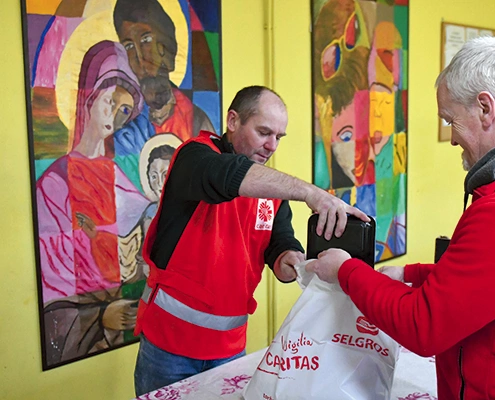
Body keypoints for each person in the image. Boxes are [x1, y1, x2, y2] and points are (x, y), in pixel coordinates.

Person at [308, 37, 495, 399]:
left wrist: (346, 271)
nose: (451, 140)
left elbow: (423, 327)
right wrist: (411, 274)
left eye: (450, 120)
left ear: (484, 108)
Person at [133, 85, 369, 395]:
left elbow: (279, 240)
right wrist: (312, 193)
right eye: (263, 132)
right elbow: (227, 175)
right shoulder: (195, 158)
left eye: (279, 137)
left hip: (229, 349)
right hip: (169, 347)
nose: (272, 145)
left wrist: (291, 260)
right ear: (233, 121)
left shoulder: (271, 191)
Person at [37, 40, 150, 366]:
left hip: (126, 318)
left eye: (124, 110)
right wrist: (99, 316)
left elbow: (145, 240)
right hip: (89, 325)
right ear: (89, 95)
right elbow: (53, 285)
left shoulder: (118, 177)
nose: (114, 114)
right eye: (110, 100)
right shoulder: (56, 185)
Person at [111, 0, 216, 157]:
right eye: (129, 47)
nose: (140, 58)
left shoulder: (196, 120)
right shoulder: (124, 122)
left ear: (166, 47)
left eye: (146, 40)